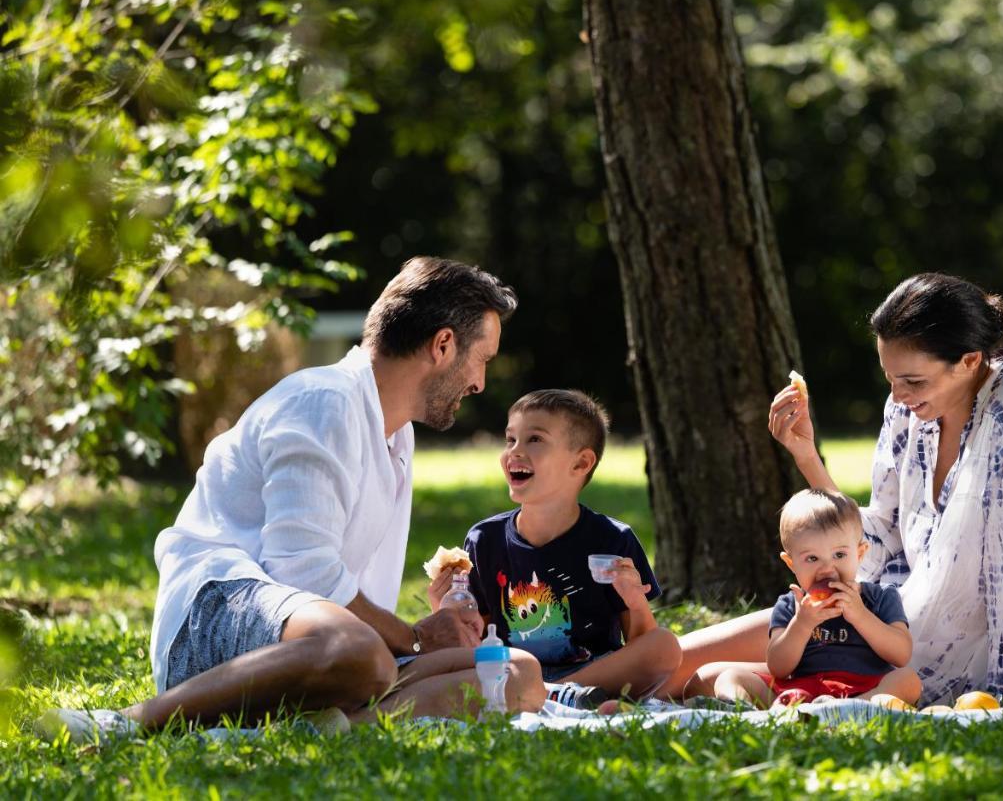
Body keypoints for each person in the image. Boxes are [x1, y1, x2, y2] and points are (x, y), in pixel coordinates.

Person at [39, 256, 546, 741]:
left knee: (513, 673)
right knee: (360, 650)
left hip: (319, 644)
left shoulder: (396, 433)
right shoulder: (323, 402)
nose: (479, 382)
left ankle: (311, 726)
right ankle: (129, 721)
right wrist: (414, 639)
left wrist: (419, 637)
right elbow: (301, 573)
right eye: (481, 361)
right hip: (214, 620)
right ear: (442, 346)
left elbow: (344, 599)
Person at [668, 273, 1003, 706]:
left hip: (916, 654)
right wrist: (806, 455)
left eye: (913, 381)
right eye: (890, 378)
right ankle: (584, 690)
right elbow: (875, 539)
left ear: (969, 361)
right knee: (675, 659)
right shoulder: (905, 407)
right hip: (870, 611)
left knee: (683, 668)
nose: (898, 395)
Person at [432, 389, 681, 710]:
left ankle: (551, 693)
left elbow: (642, 641)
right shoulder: (484, 539)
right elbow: (475, 637)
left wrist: (634, 600)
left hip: (593, 673)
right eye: (510, 440)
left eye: (534, 439)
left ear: (581, 462)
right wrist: (446, 606)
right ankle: (552, 695)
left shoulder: (613, 539)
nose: (515, 452)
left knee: (664, 646)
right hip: (511, 671)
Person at [703, 489, 920, 708]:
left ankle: (851, 709)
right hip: (800, 693)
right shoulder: (791, 605)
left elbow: (901, 655)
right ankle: (747, 712)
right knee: (730, 677)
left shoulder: (881, 597)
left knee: (908, 680)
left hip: (865, 689)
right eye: (812, 558)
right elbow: (779, 667)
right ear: (791, 563)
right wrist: (801, 624)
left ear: (860, 553)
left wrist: (861, 616)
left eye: (839, 555)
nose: (827, 568)